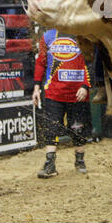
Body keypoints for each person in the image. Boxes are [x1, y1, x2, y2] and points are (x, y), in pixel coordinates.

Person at [32, 29, 92, 178]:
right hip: (54, 93)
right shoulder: (47, 37)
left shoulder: (83, 35)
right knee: (51, 127)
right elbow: (40, 63)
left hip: (78, 94)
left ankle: (80, 161)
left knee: (78, 129)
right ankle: (50, 164)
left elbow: (90, 61)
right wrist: (36, 88)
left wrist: (85, 86)